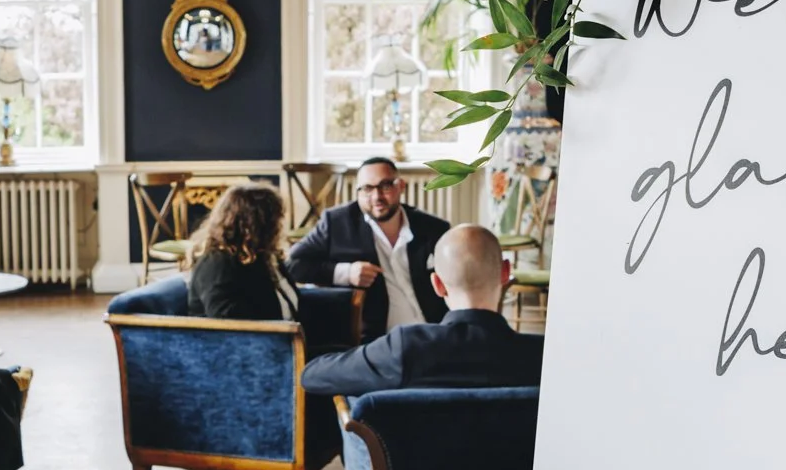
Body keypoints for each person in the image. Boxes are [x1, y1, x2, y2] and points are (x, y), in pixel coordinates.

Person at [300, 224, 543, 398]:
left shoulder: (405, 348)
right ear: (505, 273)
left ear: (437, 284)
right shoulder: (543, 357)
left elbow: (311, 376)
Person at [285, 156, 449, 340]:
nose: (377, 197)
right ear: (358, 193)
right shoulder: (336, 223)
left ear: (401, 186)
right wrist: (346, 273)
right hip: (378, 340)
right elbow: (293, 265)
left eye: (385, 186)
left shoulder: (434, 228)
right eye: (367, 189)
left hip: (433, 333)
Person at [187, 182, 297, 321]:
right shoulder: (216, 264)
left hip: (288, 330)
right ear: (255, 226)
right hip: (257, 334)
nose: (280, 226)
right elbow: (226, 319)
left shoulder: (261, 253)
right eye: (276, 220)